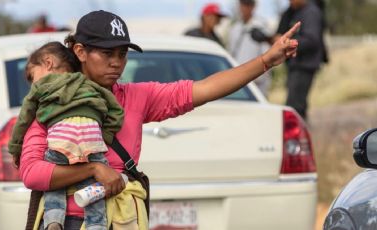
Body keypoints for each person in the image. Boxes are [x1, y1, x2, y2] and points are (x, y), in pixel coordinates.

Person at [19, 10, 300, 229]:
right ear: (80, 51)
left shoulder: (136, 97)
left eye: (122, 54)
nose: (116, 62)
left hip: (124, 221)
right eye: (106, 53)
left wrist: (266, 60)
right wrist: (94, 170)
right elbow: (32, 173)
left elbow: (204, 89)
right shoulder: (54, 100)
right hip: (68, 222)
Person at [9, 41, 124, 230]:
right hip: (92, 141)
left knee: (53, 176)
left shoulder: (42, 88)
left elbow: (24, 117)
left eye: (32, 76)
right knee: (94, 185)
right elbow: (116, 110)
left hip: (61, 140)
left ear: (47, 63)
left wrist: (15, 148)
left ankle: (54, 219)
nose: (33, 83)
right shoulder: (90, 85)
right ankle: (96, 224)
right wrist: (104, 136)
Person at [275, 0, 328, 120]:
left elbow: (311, 40)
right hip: (297, 65)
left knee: (295, 107)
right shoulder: (296, 12)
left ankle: (297, 136)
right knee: (297, 105)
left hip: (304, 66)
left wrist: (289, 43)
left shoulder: (311, 12)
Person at [228, 0, 272, 97]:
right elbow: (231, 53)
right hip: (237, 79)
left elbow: (267, 54)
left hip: (256, 80)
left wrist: (259, 75)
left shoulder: (261, 26)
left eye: (249, 4)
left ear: (253, 6)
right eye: (243, 4)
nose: (246, 7)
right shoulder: (235, 28)